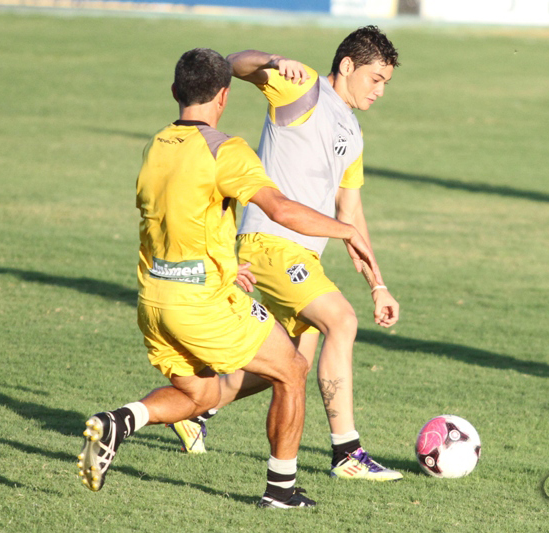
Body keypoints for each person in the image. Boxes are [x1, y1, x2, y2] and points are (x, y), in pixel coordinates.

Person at [77, 48, 381, 509]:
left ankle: (120, 421)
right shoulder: (225, 149)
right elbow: (279, 208)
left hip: (154, 300)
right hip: (202, 302)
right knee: (292, 369)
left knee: (199, 395)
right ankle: (281, 491)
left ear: (175, 92)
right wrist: (345, 230)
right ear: (223, 96)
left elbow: (176, 216)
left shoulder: (155, 145)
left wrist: (225, 261)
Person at [170, 26, 403, 481]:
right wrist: (273, 61)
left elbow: (350, 211)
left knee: (288, 364)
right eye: (376, 79)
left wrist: (378, 283)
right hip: (271, 244)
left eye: (386, 84)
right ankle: (347, 453)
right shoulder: (304, 87)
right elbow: (231, 64)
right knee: (342, 321)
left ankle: (193, 408)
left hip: (304, 256)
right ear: (348, 66)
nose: (380, 91)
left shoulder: (352, 133)